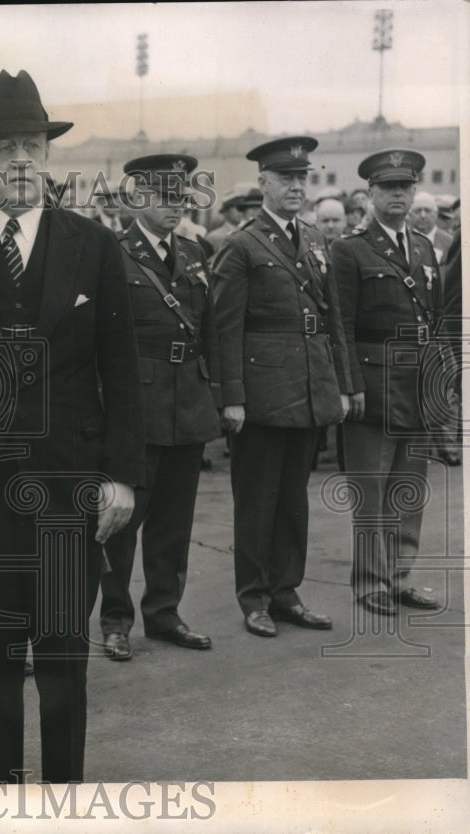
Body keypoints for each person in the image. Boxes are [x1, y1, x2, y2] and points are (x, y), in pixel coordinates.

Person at [0, 69, 142, 783]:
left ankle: (64, 796)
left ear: (48, 155)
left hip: (70, 487)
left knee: (65, 659)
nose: (19, 160)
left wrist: (123, 478)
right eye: (3, 146)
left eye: (32, 145)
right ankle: (0, 797)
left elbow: (123, 372)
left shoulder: (92, 245)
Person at [212, 136, 351, 638]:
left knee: (294, 498)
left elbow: (333, 320)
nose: (295, 186)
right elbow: (225, 328)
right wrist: (231, 397)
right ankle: (253, 598)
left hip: (310, 388)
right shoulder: (241, 245)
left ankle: (286, 590)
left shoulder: (315, 241)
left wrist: (342, 385)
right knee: (257, 500)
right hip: (262, 394)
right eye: (285, 178)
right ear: (264, 183)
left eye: (301, 178)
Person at [99, 154, 220, 659]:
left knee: (174, 521)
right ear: (136, 199)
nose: (176, 206)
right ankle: (115, 619)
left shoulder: (195, 252)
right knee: (124, 521)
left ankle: (164, 612)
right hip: (137, 403)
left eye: (181, 197)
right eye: (164, 197)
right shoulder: (112, 252)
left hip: (187, 399)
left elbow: (208, 332)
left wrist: (215, 396)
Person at [331, 149, 445, 617]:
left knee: (409, 486)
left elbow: (434, 318)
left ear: (415, 191)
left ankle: (399, 576)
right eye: (388, 188)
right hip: (373, 383)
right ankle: (370, 582)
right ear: (371, 194)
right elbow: (340, 325)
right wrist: (349, 385)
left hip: (417, 381)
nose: (398, 194)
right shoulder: (350, 249)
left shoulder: (422, 247)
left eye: (405, 187)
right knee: (372, 488)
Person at [408, 190, 453, 266]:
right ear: (410, 215)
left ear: (436, 214)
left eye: (427, 211)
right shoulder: (403, 239)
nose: (423, 216)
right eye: (418, 211)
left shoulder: (450, 242)